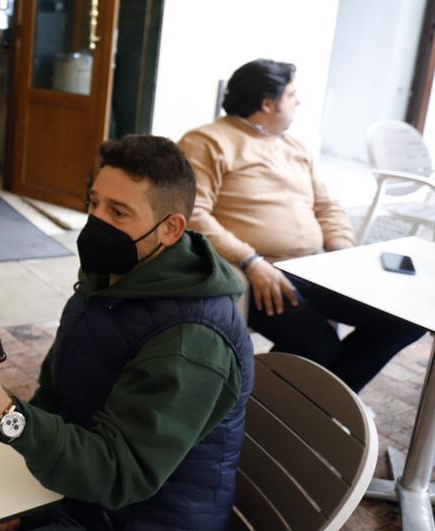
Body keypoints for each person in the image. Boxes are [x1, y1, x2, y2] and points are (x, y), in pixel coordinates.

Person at [0, 135, 252, 530]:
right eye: (94, 203)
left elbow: (120, 474)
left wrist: (9, 418)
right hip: (79, 493)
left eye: (118, 212)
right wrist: (18, 476)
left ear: (171, 229)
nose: (96, 221)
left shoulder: (193, 342)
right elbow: (57, 395)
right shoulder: (111, 280)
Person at [179, 59, 424, 393]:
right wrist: (251, 262)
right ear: (268, 103)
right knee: (321, 352)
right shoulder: (207, 142)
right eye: (292, 95)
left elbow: (326, 205)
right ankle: (317, 407)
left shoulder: (294, 146)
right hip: (261, 274)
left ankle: (306, 403)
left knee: (406, 318)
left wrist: (342, 253)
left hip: (317, 268)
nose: (299, 102)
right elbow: (194, 215)